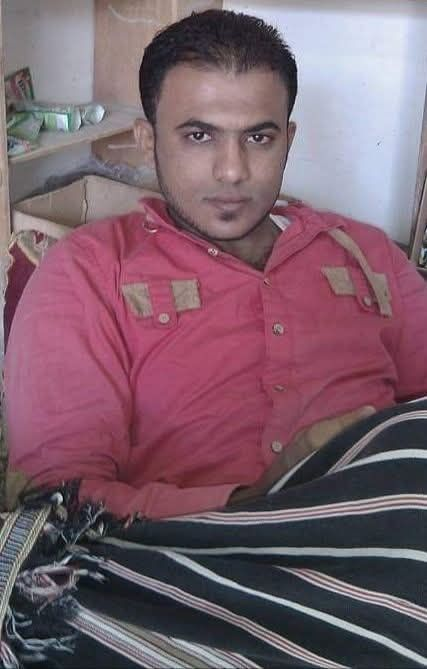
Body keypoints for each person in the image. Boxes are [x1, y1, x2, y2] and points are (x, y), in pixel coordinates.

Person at [5, 9, 427, 521]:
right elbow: (58, 500)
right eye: (199, 136)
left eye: (258, 138)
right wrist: (261, 497)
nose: (232, 171)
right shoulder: (88, 272)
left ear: (288, 140)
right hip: (181, 559)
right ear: (147, 141)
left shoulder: (368, 255)